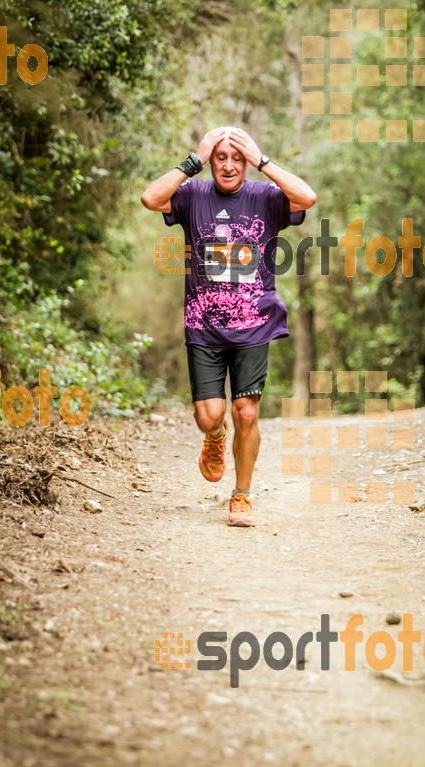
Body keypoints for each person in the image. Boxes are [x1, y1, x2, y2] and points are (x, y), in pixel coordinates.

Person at [141, 127, 316, 527]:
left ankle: (241, 496)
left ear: (247, 160)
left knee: (247, 413)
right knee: (209, 416)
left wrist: (263, 161)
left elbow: (307, 197)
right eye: (221, 156)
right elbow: (151, 198)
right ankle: (214, 438)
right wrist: (193, 161)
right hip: (203, 324)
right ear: (211, 159)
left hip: (254, 322)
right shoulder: (192, 195)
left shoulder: (267, 198)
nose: (229, 165)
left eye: (237, 157)